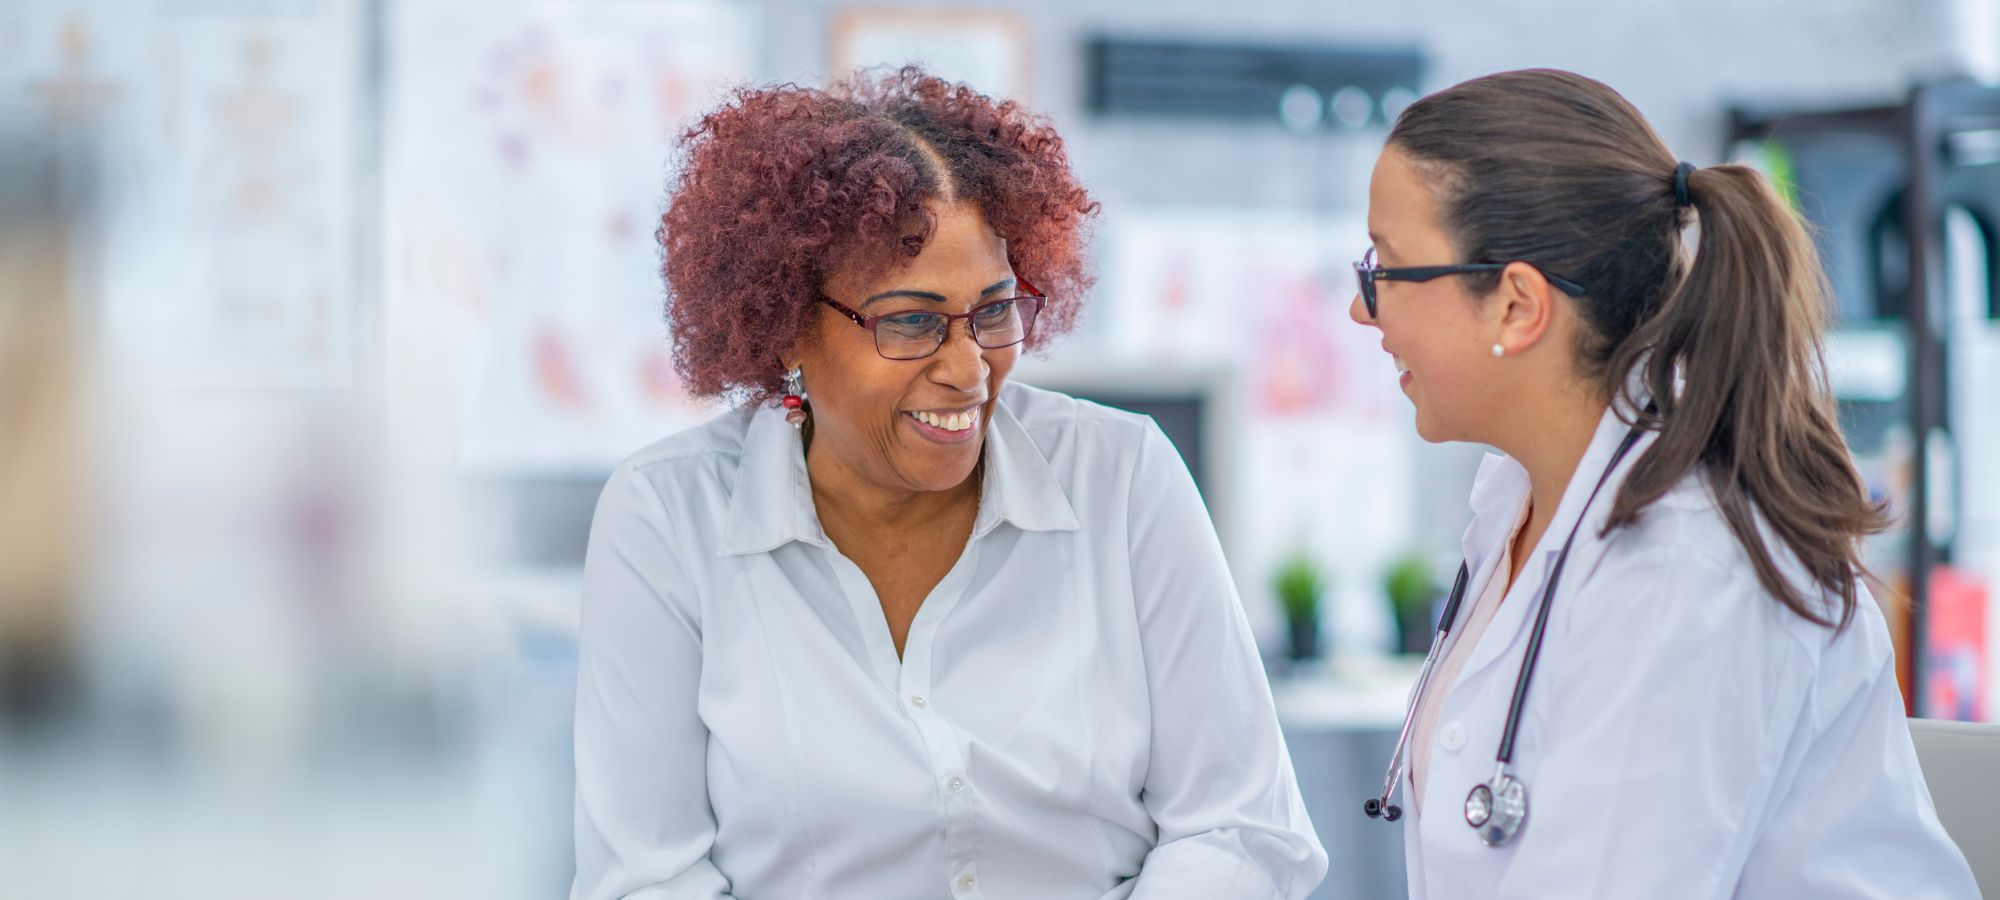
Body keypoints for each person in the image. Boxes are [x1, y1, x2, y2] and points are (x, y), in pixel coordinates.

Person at [570, 67, 1327, 900]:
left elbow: (1240, 828)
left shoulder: (1122, 478)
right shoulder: (666, 518)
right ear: (784, 324)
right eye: (911, 321)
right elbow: (647, 878)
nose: (969, 370)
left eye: (994, 311)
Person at [1349, 68, 1979, 898]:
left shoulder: (1689, 565)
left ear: (1516, 306)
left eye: (1384, 271)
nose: (1364, 312)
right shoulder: (1518, 503)